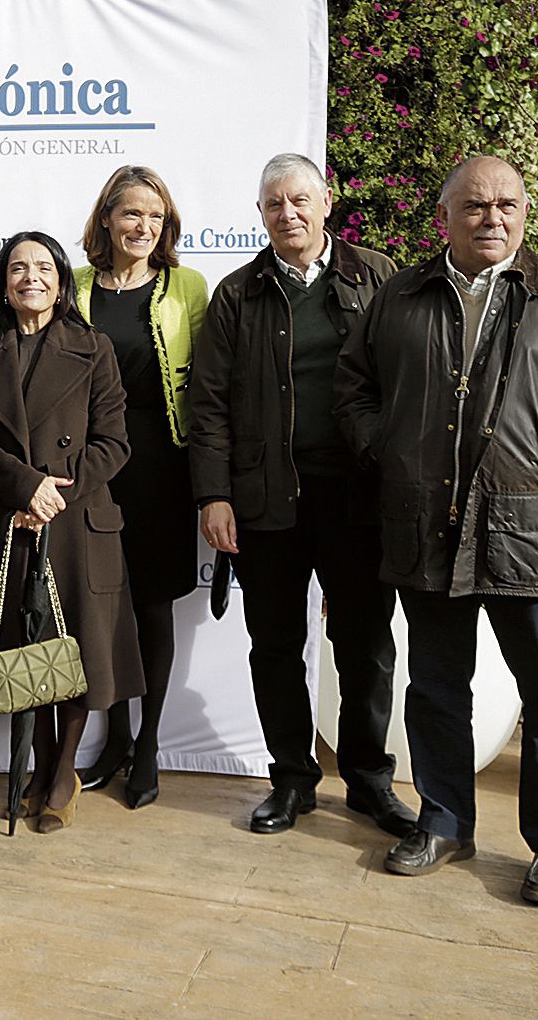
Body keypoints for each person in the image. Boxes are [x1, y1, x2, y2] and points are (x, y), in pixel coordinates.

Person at [336, 155, 538, 906]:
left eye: (507, 204)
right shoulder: (402, 295)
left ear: (524, 212)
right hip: (427, 527)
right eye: (475, 205)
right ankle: (444, 821)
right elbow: (354, 386)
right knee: (438, 688)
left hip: (531, 529)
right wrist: (383, 444)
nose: (493, 217)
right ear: (444, 215)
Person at [190, 153, 416, 839]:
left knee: (367, 645)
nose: (287, 213)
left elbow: (410, 381)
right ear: (260, 215)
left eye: (299, 200)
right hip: (268, 500)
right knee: (276, 644)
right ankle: (291, 778)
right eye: (273, 204)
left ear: (327, 203)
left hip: (359, 498)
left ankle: (371, 780)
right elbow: (208, 406)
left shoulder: (379, 278)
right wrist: (213, 494)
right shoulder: (237, 294)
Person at [0, 231, 141, 834]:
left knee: (79, 650)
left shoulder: (94, 348)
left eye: (43, 267)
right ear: (3, 284)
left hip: (76, 521)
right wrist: (22, 485)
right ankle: (38, 762)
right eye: (17, 268)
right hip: (7, 521)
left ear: (61, 281)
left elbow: (114, 443)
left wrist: (51, 493)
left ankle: (62, 772)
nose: (30, 276)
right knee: (24, 650)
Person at [71, 166, 210, 810]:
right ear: (106, 219)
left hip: (161, 466)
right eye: (131, 214)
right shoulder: (72, 287)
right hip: (94, 467)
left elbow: (209, 386)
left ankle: (150, 743)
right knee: (101, 606)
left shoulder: (187, 286)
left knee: (151, 605)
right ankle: (116, 736)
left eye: (155, 217)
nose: (143, 227)